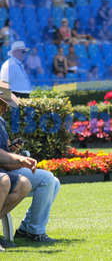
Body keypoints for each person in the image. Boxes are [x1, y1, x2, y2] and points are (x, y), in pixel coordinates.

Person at [0, 83, 42, 248]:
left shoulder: (1, 122)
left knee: (24, 184)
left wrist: (13, 151)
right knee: (3, 181)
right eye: (3, 104)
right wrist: (19, 159)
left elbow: (4, 150)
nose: (6, 109)